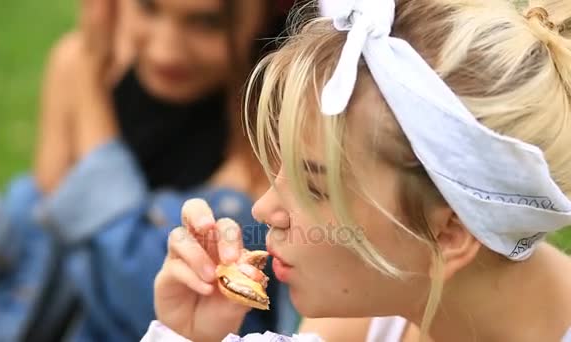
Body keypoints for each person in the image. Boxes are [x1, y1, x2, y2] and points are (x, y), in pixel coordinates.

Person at [140, 0, 571, 340]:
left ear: (449, 234)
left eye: (315, 187)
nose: (264, 209)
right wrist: (187, 336)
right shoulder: (367, 326)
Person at [0, 0, 299, 341]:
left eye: (207, 23)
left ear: (269, 15)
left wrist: (87, 90)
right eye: (148, 9)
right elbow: (42, 270)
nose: (165, 50)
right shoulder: (88, 63)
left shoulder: (276, 133)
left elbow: (140, 291)